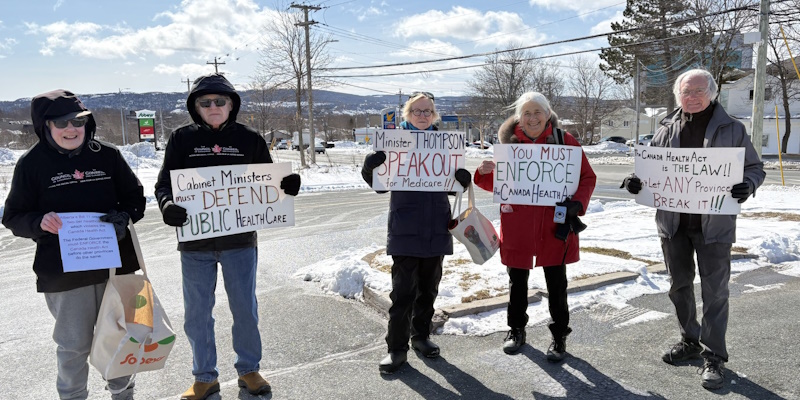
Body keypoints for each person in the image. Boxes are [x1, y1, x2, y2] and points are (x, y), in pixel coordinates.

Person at [154, 73, 301, 400]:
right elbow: (164, 184)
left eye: (220, 101)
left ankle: (249, 370)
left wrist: (288, 186)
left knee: (245, 309)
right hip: (195, 244)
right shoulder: (181, 139)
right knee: (197, 314)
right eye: (205, 102)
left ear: (231, 104)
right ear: (195, 107)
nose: (213, 106)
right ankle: (204, 376)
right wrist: (166, 204)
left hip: (240, 242)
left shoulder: (250, 139)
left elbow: (269, 183)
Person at [621, 68, 765, 390]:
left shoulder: (732, 129)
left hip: (714, 227)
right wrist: (635, 181)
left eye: (699, 91)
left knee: (715, 292)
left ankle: (714, 356)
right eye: (687, 92)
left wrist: (748, 184)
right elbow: (647, 170)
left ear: (712, 93)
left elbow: (755, 168)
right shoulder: (666, 129)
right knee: (679, 286)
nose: (693, 97)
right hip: (674, 226)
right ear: (679, 96)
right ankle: (689, 341)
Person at [2, 90, 145, 399]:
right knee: (74, 345)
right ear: (46, 126)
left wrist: (125, 216)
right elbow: (13, 216)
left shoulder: (107, 155)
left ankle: (123, 394)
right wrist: (39, 222)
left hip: (113, 267)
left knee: (120, 337)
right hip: (64, 274)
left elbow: (135, 197)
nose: (71, 129)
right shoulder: (31, 164)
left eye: (78, 122)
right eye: (62, 123)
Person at [473, 92, 596, 362]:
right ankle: (516, 329)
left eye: (537, 112)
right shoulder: (509, 145)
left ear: (548, 114)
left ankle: (559, 335)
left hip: (554, 225)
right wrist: (483, 172)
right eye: (526, 113)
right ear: (519, 117)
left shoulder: (565, 141)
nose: (532, 118)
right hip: (517, 225)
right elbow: (498, 184)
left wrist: (577, 203)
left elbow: (587, 177)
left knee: (557, 284)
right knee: (517, 282)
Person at [361, 91, 472, 374]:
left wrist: (462, 179)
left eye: (427, 111)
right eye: (417, 111)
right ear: (407, 114)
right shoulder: (393, 142)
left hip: (436, 226)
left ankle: (420, 336)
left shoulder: (445, 145)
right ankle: (396, 348)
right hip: (405, 228)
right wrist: (369, 167)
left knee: (428, 289)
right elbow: (380, 185)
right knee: (402, 294)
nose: (422, 115)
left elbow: (452, 187)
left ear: (434, 116)